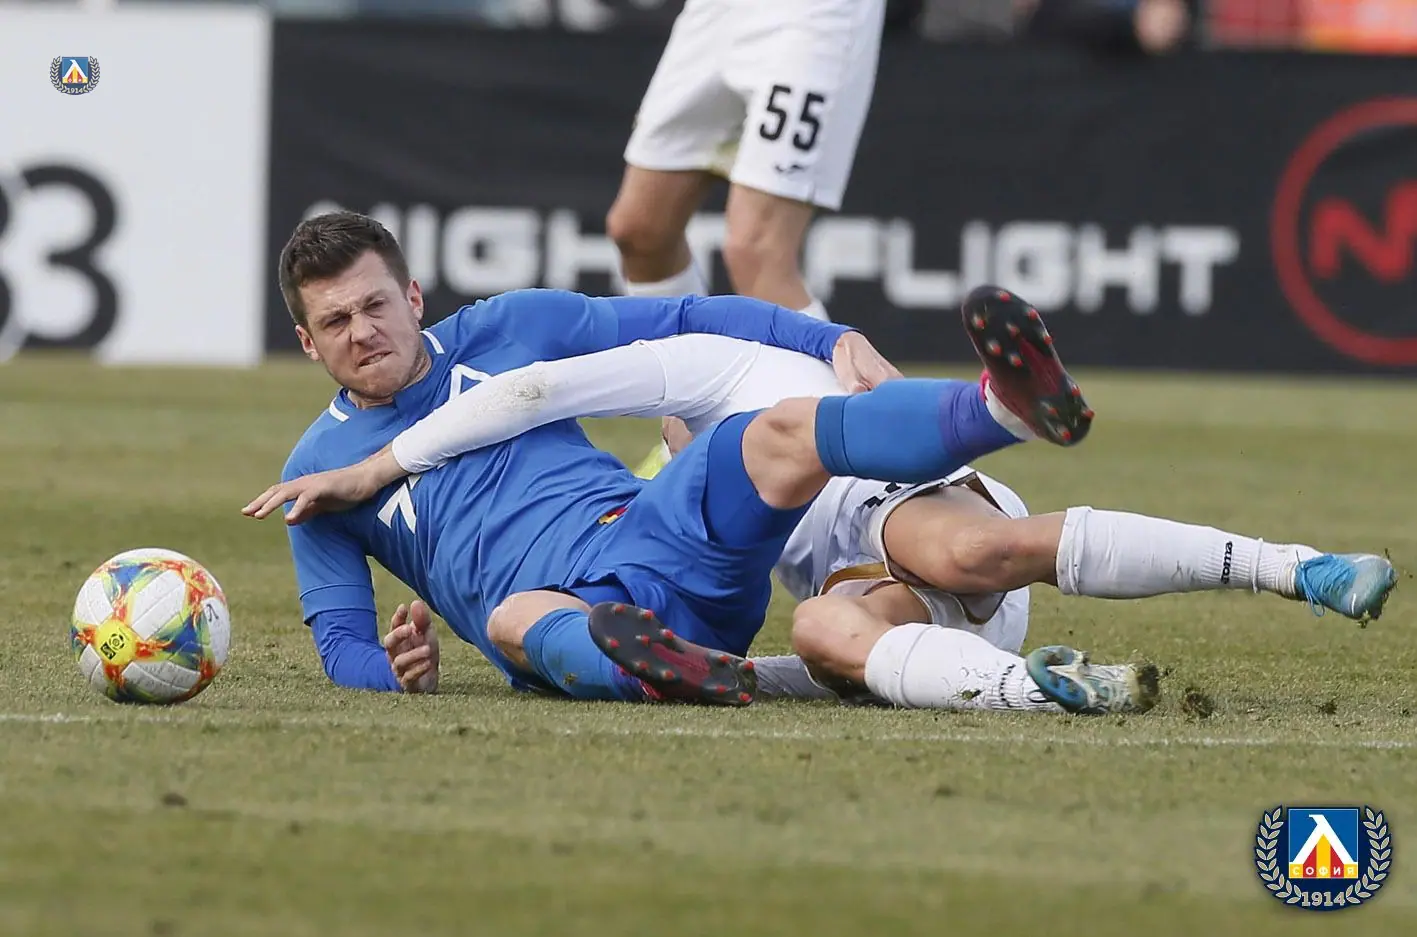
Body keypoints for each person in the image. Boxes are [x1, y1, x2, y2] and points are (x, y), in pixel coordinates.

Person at [246, 210, 1125, 711]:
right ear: (307, 341)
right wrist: (397, 671)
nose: (363, 332)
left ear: (411, 295)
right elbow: (341, 643)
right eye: (335, 322)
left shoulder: (511, 327)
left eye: (375, 305)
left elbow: (686, 320)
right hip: (562, 611)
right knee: (514, 617)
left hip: (651, 529)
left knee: (769, 433)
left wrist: (828, 337)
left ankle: (998, 409)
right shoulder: (315, 475)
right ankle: (669, 671)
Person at [257, 332, 1397, 716]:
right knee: (817, 635)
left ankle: (1293, 567)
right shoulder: (684, 456)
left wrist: (381, 465)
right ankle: (1048, 688)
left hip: (908, 514)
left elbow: (541, 384)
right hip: (870, 599)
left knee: (962, 547)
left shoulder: (735, 367)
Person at [605, 0, 888, 475]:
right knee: (640, 230)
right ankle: (689, 446)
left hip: (810, 16)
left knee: (757, 250)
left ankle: (860, 464)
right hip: (718, 12)